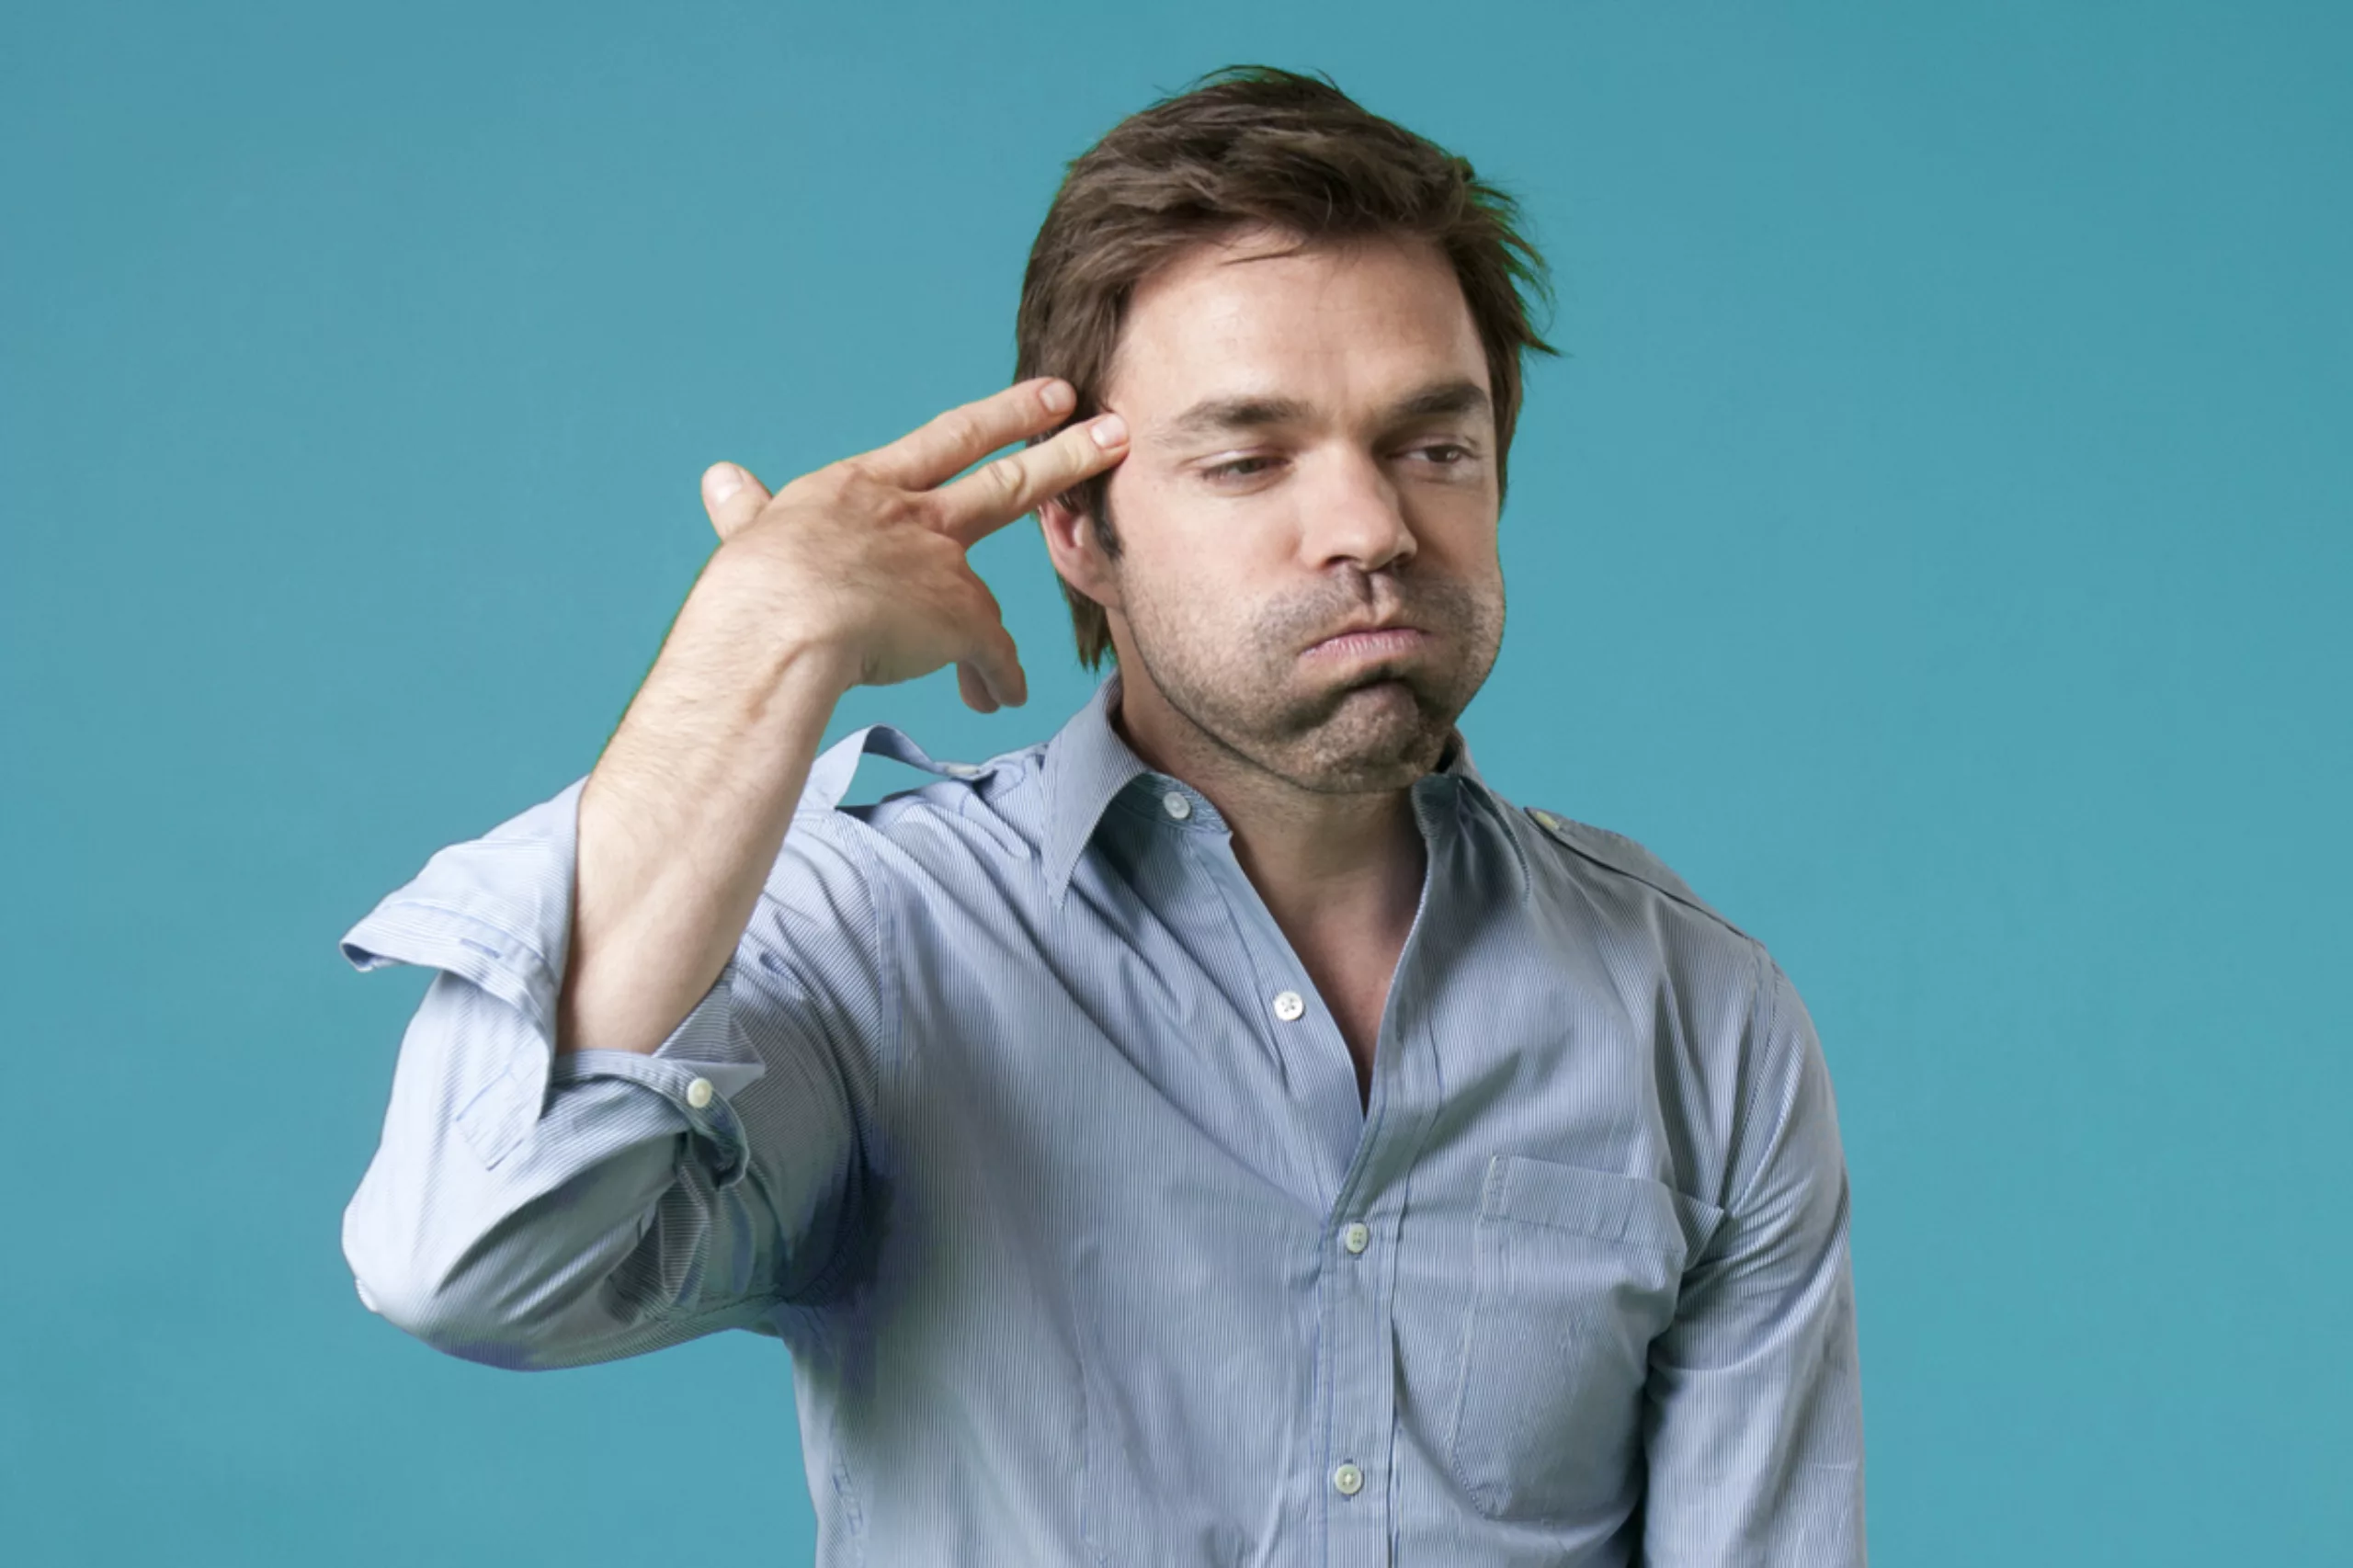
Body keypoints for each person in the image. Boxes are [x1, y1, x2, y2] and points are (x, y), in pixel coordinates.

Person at [337, 64, 1866, 1566]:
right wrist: (753, 649)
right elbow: (472, 1257)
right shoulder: (879, 947)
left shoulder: (1696, 1010)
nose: (1372, 526)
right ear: (1075, 527)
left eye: (1433, 447)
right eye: (1249, 458)